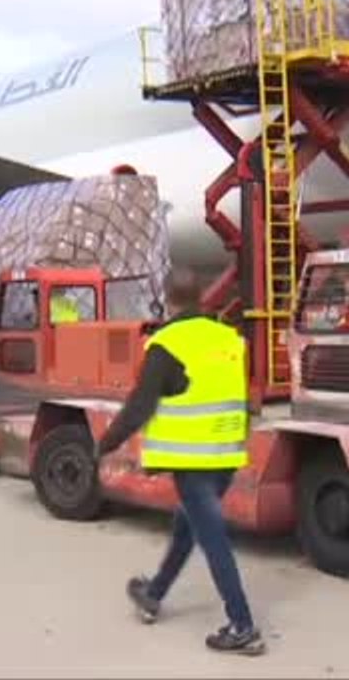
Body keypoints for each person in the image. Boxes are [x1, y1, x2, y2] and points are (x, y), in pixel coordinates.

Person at [96, 268, 264, 656]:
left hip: (192, 460)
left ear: (167, 299)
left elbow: (141, 405)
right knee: (187, 528)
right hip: (225, 455)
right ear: (201, 296)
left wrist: (104, 444)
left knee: (212, 539)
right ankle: (154, 593)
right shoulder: (229, 339)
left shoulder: (166, 343)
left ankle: (242, 625)